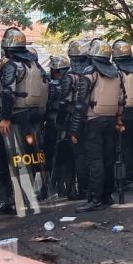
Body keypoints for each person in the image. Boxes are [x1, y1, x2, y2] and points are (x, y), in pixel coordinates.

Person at [0, 27, 49, 215]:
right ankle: (25, 200)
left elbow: (7, 93)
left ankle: (8, 198)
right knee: (25, 159)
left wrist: (4, 118)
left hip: (14, 118)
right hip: (33, 118)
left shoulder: (12, 65)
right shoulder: (37, 67)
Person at [70, 39, 125, 213]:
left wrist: (74, 130)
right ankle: (107, 195)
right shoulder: (116, 73)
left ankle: (94, 199)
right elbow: (122, 99)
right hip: (110, 121)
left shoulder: (90, 72)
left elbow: (80, 104)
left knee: (95, 161)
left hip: (93, 122)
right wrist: (118, 119)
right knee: (108, 159)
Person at [112, 40, 133, 185]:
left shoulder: (115, 69)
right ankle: (130, 175)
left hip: (122, 113)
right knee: (132, 146)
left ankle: (121, 178)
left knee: (121, 148)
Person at [45, 54, 74, 197]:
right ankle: (68, 187)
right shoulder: (73, 82)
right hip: (70, 124)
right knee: (68, 157)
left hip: (54, 124)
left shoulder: (51, 87)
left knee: (52, 156)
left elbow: (46, 105)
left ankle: (54, 188)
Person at [65, 41, 90, 199]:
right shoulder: (93, 74)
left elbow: (64, 101)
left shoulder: (70, 77)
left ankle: (82, 190)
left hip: (74, 119)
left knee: (78, 156)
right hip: (92, 118)